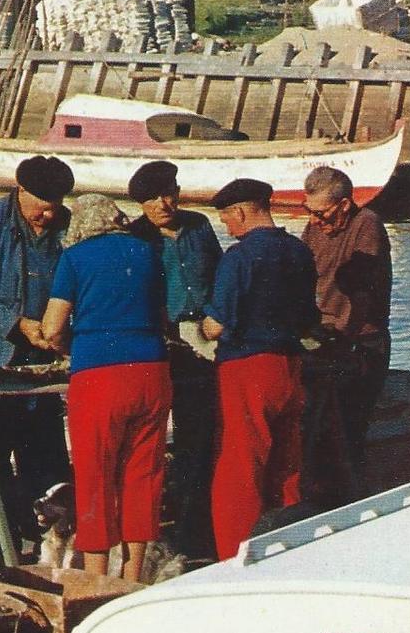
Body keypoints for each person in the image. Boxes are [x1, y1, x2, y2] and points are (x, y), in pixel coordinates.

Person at [41, 194, 171, 582]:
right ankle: (131, 579)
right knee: (143, 476)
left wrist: (68, 347)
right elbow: (163, 316)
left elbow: (51, 327)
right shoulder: (148, 253)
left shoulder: (75, 259)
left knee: (96, 477)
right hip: (151, 372)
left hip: (99, 375)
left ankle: (97, 581)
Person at [0, 156, 74, 562]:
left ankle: (51, 549)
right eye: (42, 205)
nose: (49, 214)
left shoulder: (66, 227)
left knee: (46, 457)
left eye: (56, 206)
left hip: (45, 365)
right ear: (20, 191)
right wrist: (17, 324)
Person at [201, 179, 318, 561]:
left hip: (248, 366)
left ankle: (235, 556)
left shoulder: (240, 256)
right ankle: (291, 548)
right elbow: (307, 318)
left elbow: (218, 323)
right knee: (287, 463)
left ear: (239, 212)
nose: (228, 228)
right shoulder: (300, 251)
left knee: (240, 465)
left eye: (227, 220)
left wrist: (198, 329)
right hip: (290, 364)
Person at [128, 160, 222, 556]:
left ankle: (195, 529)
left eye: (168, 194)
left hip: (203, 334)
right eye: (152, 199)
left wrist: (215, 320)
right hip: (158, 338)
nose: (162, 204)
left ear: (178, 193)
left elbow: (220, 276)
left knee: (199, 434)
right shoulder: (135, 236)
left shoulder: (199, 226)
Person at [301, 166, 392, 494]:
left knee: (348, 430)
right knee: (318, 429)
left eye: (321, 214)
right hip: (323, 337)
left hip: (360, 339)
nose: (314, 221)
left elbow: (362, 291)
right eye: (307, 212)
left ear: (343, 205)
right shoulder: (314, 228)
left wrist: (345, 337)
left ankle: (348, 500)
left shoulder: (366, 224)